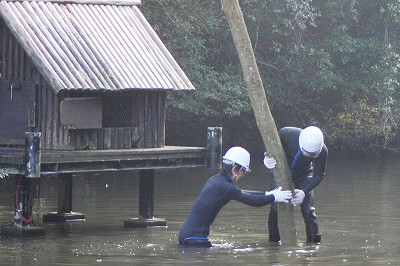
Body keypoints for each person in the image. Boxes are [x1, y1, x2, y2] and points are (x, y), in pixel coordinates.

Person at [178, 146, 292, 247]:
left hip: (186, 235)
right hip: (196, 239)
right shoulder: (226, 187)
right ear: (235, 169)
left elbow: (243, 193)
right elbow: (253, 201)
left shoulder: (216, 180)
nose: (244, 175)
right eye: (244, 171)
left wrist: (268, 194)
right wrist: (275, 197)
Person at [264, 126, 328, 243]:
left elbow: (319, 175)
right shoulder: (286, 134)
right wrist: (267, 157)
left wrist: (304, 192)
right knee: (275, 208)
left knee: (308, 211)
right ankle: (273, 244)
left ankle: (313, 245)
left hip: (304, 175)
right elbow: (269, 146)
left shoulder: (323, 150)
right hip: (280, 172)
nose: (308, 156)